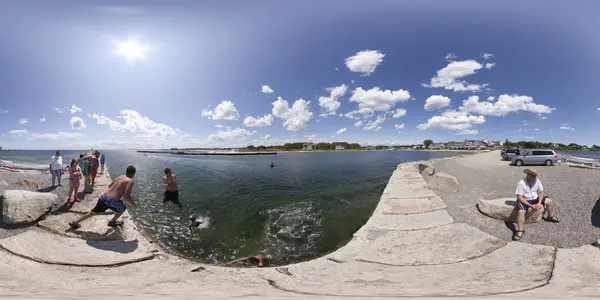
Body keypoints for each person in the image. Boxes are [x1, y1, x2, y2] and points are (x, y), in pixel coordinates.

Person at [68, 166, 137, 229]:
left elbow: (110, 185)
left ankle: (76, 222)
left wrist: (118, 190)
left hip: (104, 197)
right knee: (122, 208)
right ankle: (112, 222)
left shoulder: (121, 176)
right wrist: (133, 203)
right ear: (133, 174)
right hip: (111, 201)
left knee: (92, 212)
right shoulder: (130, 181)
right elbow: (126, 196)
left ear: (126, 171)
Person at [512, 168, 560, 241]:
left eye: (535, 176)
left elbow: (541, 192)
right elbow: (519, 197)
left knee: (549, 201)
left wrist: (539, 202)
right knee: (521, 212)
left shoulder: (537, 180)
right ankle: (520, 230)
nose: (534, 178)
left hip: (535, 198)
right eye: (532, 176)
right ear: (528, 175)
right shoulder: (521, 183)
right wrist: (531, 206)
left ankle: (550, 216)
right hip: (525, 200)